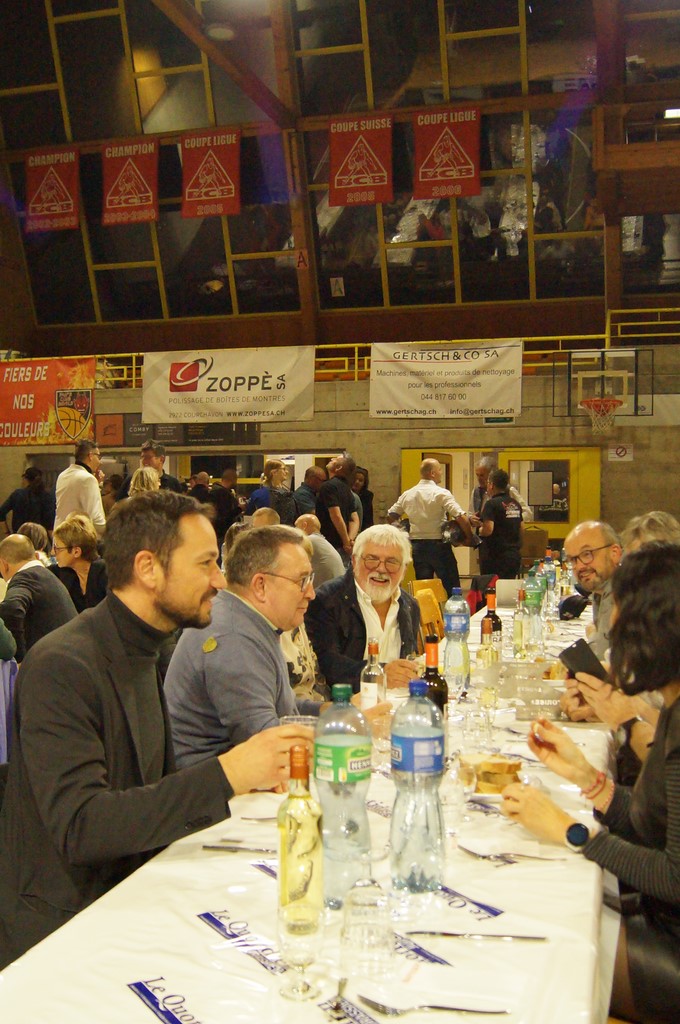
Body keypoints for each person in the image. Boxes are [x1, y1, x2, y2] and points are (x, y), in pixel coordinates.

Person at [0, 491, 312, 967]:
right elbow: (81, 826)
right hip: (63, 934)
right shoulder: (63, 666)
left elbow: (148, 789)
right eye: (206, 564)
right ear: (148, 568)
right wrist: (228, 773)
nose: (219, 580)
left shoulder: (146, 649)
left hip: (130, 894)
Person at [501, 543, 680, 1024]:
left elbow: (673, 876)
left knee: (532, 946)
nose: (612, 629)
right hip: (656, 913)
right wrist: (589, 779)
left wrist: (571, 830)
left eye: (621, 613)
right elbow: (655, 822)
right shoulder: (673, 702)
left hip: (669, 944)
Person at [165, 525, 321, 768]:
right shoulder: (234, 639)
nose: (311, 593)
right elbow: (270, 746)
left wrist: (339, 712)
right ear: (260, 585)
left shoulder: (243, 618)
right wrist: (347, 734)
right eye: (302, 581)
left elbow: (279, 707)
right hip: (213, 785)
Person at [305, 524, 420, 693]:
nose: (381, 569)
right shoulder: (325, 601)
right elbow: (326, 664)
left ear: (404, 569)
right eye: (372, 559)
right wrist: (380, 675)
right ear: (354, 561)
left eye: (392, 562)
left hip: (398, 700)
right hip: (347, 703)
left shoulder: (410, 606)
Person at [387, 458, 472, 595]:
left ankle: (426, 609)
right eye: (439, 470)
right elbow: (461, 517)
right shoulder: (441, 493)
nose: (441, 473)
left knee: (424, 589)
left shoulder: (408, 494)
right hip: (439, 545)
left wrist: (402, 530)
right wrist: (469, 537)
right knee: (452, 588)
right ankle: (454, 607)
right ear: (432, 473)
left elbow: (391, 515)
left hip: (417, 546)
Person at [0, 534, 77, 661]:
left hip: (55, 663)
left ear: (3, 564)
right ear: (35, 555)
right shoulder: (45, 576)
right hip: (72, 655)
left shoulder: (24, 578)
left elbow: (11, 608)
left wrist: (19, 659)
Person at [562, 520, 622, 660]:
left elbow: (601, 658)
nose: (579, 566)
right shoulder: (599, 591)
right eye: (573, 560)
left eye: (587, 554)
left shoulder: (624, 591)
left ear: (614, 553)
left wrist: (592, 635)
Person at [49, 513, 108, 613]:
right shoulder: (66, 573)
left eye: (57, 548)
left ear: (76, 552)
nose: (53, 553)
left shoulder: (105, 573)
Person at [477, 468, 523, 579]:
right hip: (513, 555)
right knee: (508, 586)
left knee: (491, 587)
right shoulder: (515, 504)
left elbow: (488, 530)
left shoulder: (491, 504)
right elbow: (521, 528)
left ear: (492, 485)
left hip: (494, 557)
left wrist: (479, 529)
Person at [54, 441, 106, 536]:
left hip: (60, 535)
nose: (100, 462)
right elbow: (96, 520)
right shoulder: (88, 479)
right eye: (98, 456)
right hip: (77, 538)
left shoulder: (63, 475)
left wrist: (97, 484)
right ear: (90, 456)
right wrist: (110, 530)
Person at [315, 455, 360, 564]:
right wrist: (350, 540)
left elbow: (336, 515)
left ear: (338, 468)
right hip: (343, 546)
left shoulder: (328, 486)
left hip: (330, 544)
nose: (332, 459)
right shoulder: (347, 489)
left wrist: (346, 542)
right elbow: (354, 519)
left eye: (335, 459)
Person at [469, 455, 533, 522]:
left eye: (482, 475)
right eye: (477, 475)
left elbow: (527, 513)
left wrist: (510, 520)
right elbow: (471, 513)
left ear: (492, 474)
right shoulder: (476, 492)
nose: (479, 479)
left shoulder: (508, 490)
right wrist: (471, 519)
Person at [116, 441, 183, 500]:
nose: (144, 461)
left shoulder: (173, 483)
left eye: (148, 457)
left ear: (161, 459)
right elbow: (119, 505)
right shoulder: (132, 480)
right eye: (142, 457)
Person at [0, 468, 55, 537]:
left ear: (25, 479)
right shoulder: (46, 497)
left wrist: (7, 533)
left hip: (18, 537)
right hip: (38, 538)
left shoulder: (17, 494)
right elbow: (49, 523)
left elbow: (1, 512)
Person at [295, 513, 345, 586]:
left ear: (304, 526)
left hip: (327, 590)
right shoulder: (322, 542)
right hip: (338, 587)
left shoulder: (309, 540)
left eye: (296, 526)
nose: (295, 530)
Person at [245, 459, 297, 525]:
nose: (287, 472)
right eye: (283, 469)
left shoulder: (287, 493)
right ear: (274, 472)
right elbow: (250, 518)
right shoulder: (259, 495)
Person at [209, 467, 242, 547]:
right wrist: (239, 508)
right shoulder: (223, 494)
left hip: (216, 531)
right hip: (223, 533)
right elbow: (226, 515)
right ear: (232, 479)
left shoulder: (213, 492)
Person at [352, 466, 374, 531]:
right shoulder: (345, 493)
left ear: (364, 483)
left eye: (360, 480)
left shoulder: (367, 496)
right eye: (355, 479)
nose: (357, 482)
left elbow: (368, 518)